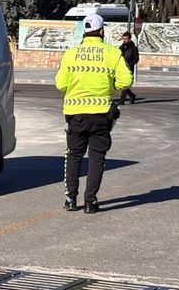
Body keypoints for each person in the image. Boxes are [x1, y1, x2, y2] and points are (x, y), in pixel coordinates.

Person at [55, 14, 133, 214]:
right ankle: (90, 201)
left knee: (73, 156)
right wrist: (111, 85)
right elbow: (126, 82)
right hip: (101, 114)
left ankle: (70, 199)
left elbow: (60, 84)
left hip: (75, 114)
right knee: (97, 158)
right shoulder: (112, 53)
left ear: (84, 31)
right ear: (102, 31)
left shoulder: (71, 54)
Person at [118, 32, 139, 105]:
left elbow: (136, 58)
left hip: (129, 68)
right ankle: (132, 95)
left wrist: (129, 65)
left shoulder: (133, 48)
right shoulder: (121, 47)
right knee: (121, 83)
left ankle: (121, 100)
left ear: (129, 39)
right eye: (123, 38)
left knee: (125, 83)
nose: (124, 40)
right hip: (121, 68)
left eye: (126, 39)